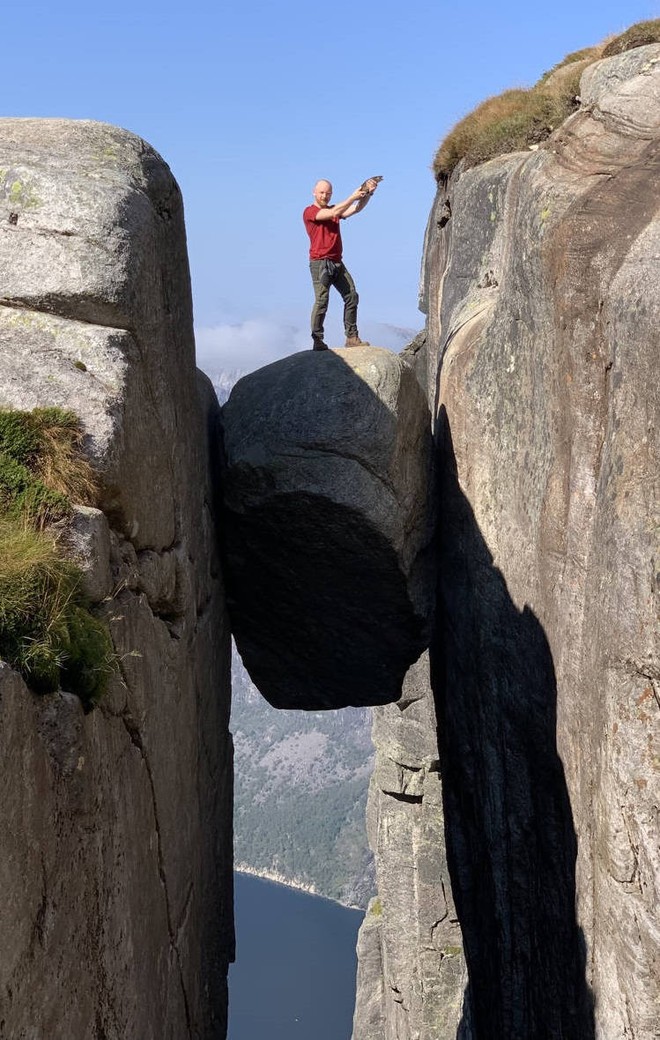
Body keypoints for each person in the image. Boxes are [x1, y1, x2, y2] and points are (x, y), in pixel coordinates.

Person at [303, 178, 379, 351]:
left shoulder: (334, 210)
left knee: (351, 295)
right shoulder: (309, 212)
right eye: (322, 192)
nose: (325, 196)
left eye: (328, 193)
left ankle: (352, 337)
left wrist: (367, 193)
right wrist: (353, 196)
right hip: (320, 263)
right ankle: (317, 339)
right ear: (314, 192)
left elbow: (355, 209)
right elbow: (333, 213)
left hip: (337, 262)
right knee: (322, 301)